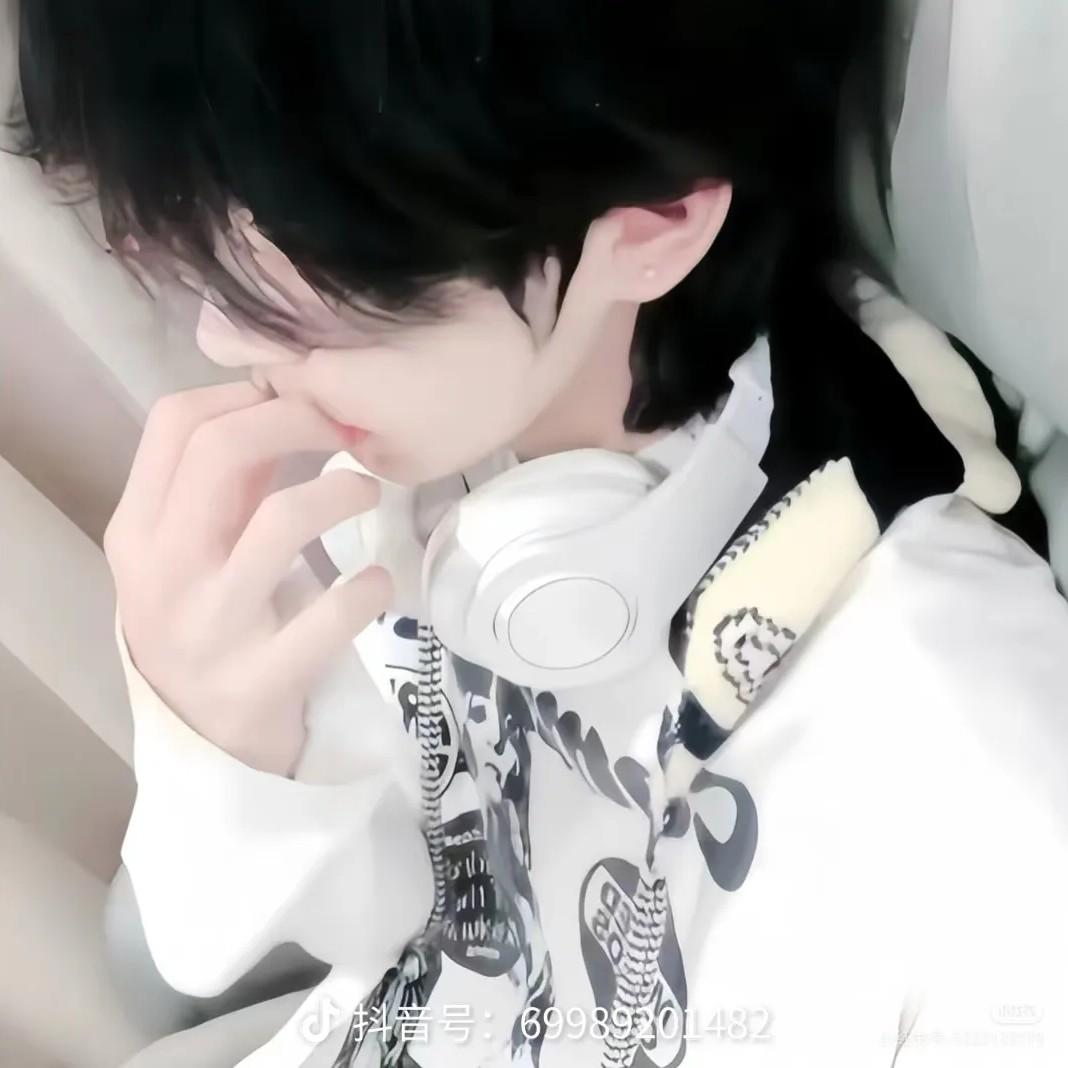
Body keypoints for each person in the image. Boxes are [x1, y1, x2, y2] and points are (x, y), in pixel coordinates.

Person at [15, 2, 1068, 1065]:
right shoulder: (416, 515)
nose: (221, 337)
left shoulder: (965, 759)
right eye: (192, 249)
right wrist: (213, 743)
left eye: (321, 279)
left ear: (656, 225)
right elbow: (216, 966)